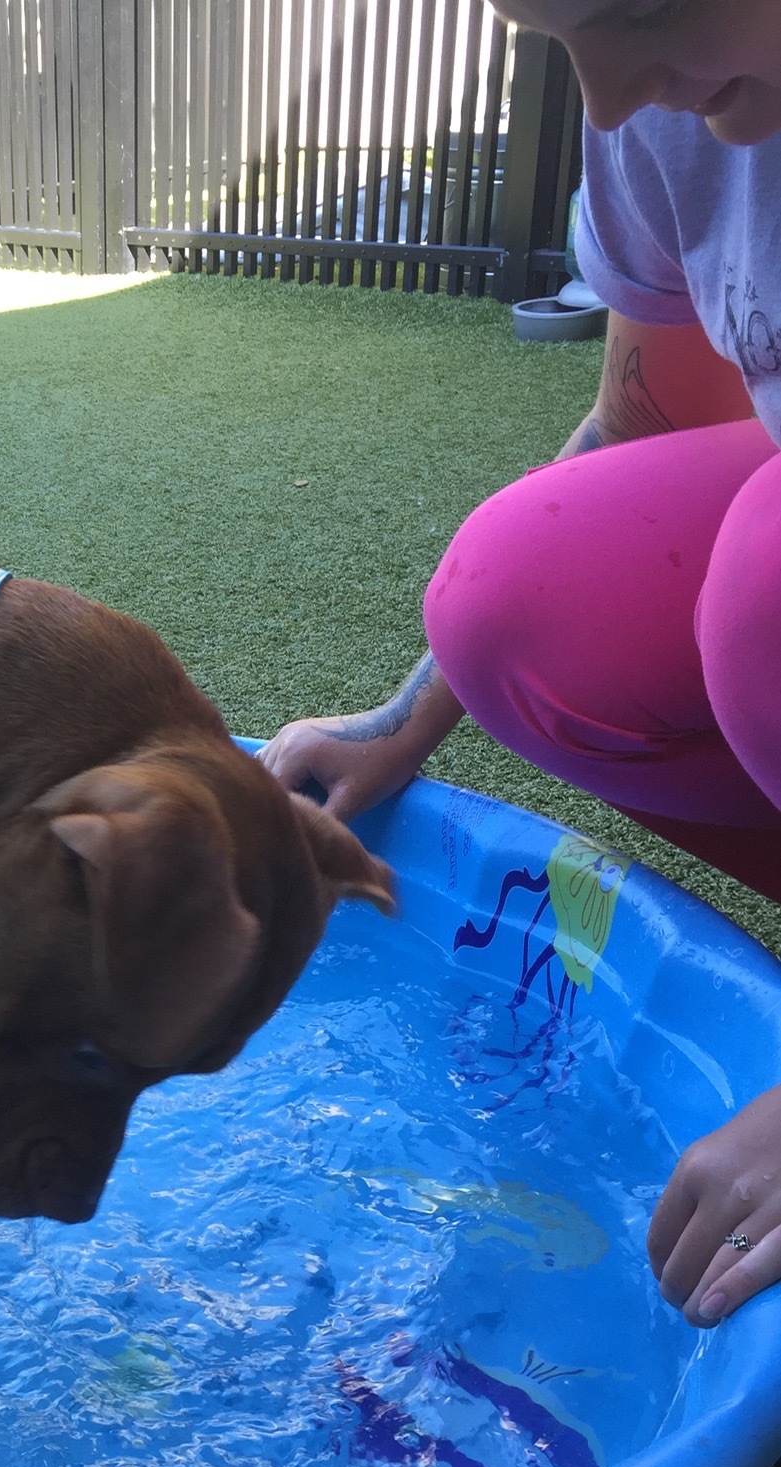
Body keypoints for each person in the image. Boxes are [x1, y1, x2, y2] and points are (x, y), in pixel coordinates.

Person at [261, 0, 781, 1332]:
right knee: (507, 605)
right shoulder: (673, 110)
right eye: (550, 30)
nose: (602, 100)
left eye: (640, 12)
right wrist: (403, 718)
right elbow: (627, 418)